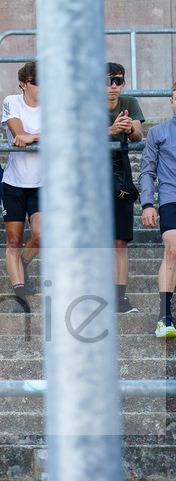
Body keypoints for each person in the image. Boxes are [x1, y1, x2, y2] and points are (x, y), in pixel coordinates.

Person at [1, 60, 41, 313]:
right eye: (37, 82)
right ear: (24, 84)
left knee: (41, 235)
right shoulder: (11, 101)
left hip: (43, 183)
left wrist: (35, 136)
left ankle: (22, 265)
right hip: (14, 181)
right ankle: (20, 296)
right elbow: (19, 135)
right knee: (14, 240)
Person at [138, 81, 176, 338]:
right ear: (172, 102)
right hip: (170, 198)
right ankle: (165, 316)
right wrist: (147, 204)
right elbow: (147, 171)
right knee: (173, 249)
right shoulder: (158, 132)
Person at [107, 62, 145, 314]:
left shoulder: (129, 102)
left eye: (118, 81)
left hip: (120, 178)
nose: (113, 86)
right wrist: (110, 129)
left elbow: (139, 136)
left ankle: (120, 298)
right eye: (108, 80)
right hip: (90, 179)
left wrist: (128, 127)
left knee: (119, 241)